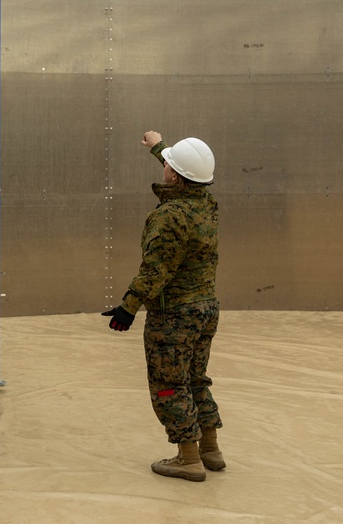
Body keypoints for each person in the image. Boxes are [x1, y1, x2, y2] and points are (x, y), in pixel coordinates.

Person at [103, 130, 224, 483]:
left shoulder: (169, 217)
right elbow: (190, 172)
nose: (165, 165)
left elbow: (156, 270)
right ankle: (210, 450)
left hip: (175, 316)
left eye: (167, 163)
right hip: (206, 310)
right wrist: (158, 146)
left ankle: (188, 459)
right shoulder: (206, 203)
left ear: (175, 175)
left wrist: (128, 307)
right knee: (196, 379)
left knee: (169, 384)